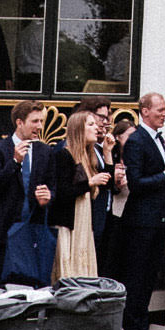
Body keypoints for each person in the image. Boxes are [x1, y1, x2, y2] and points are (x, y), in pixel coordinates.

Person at [109, 92, 165, 330]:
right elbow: (136, 183)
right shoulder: (137, 140)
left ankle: (143, 329)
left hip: (158, 220)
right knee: (136, 277)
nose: (163, 113)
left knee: (149, 278)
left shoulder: (159, 139)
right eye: (159, 109)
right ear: (144, 111)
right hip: (140, 222)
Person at [0, 101, 49, 285]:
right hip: (8, 230)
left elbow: (53, 187)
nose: (40, 127)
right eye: (35, 121)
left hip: (35, 228)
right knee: (5, 286)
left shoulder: (45, 151)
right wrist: (14, 162)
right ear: (19, 122)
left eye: (41, 121)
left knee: (34, 286)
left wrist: (48, 197)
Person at [50, 105, 112, 282]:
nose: (97, 127)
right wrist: (90, 182)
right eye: (91, 124)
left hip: (85, 222)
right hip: (68, 225)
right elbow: (62, 192)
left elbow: (107, 182)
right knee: (68, 275)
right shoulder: (64, 155)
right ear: (79, 129)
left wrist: (107, 153)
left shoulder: (89, 155)